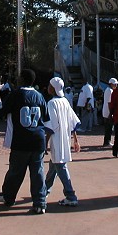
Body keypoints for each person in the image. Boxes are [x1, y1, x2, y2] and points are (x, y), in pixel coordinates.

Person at [0, 69, 50, 215]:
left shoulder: (16, 94)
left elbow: (0, 110)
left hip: (21, 140)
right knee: (37, 173)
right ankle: (40, 203)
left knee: (15, 172)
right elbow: (46, 118)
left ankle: (8, 197)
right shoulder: (40, 96)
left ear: (23, 79)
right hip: (38, 139)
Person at [44, 77, 81, 207]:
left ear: (53, 88)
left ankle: (71, 195)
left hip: (57, 140)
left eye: (49, 85)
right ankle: (44, 191)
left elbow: (51, 126)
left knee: (60, 166)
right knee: (54, 166)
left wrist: (45, 143)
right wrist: (75, 140)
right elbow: (73, 122)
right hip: (65, 139)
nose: (47, 87)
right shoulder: (65, 101)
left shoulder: (52, 103)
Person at [102, 78, 118, 146]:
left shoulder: (108, 90)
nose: (116, 85)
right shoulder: (110, 91)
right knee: (109, 128)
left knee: (108, 127)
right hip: (108, 112)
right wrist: (111, 113)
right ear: (111, 84)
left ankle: (107, 141)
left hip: (106, 111)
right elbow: (109, 103)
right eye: (115, 84)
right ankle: (107, 141)